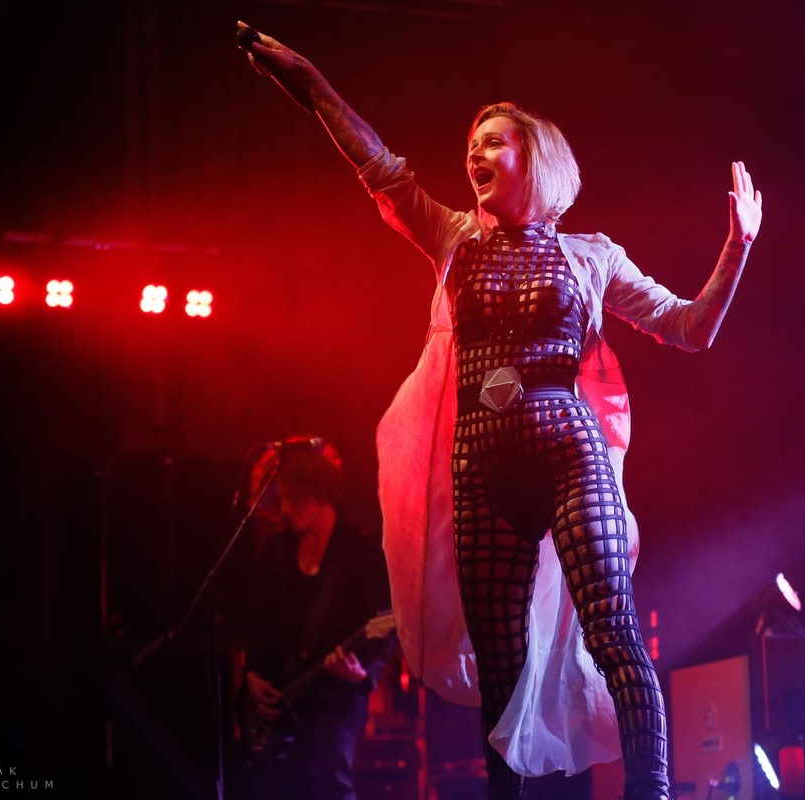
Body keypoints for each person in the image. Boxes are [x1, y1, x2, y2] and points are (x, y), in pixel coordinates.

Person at [237, 23, 763, 800]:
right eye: (470, 147)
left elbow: (690, 327)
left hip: (569, 454)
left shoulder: (591, 256)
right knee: (502, 670)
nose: (473, 156)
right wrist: (312, 85)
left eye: (491, 142)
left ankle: (650, 792)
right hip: (482, 471)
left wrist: (737, 247)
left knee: (612, 628)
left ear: (533, 157)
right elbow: (377, 166)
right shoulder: (453, 238)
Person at [234, 437, 395, 800]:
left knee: (326, 778)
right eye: (281, 499)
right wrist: (253, 673)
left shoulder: (361, 552)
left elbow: (383, 624)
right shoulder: (277, 550)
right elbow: (257, 620)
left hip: (335, 693)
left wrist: (362, 671)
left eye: (293, 499)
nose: (284, 510)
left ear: (317, 493)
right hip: (277, 691)